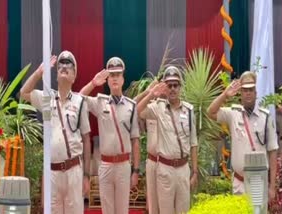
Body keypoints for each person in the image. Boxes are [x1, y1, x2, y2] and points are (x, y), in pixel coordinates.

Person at [20, 51, 91, 214]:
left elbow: (87, 139)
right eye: (61, 65)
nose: (64, 67)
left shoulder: (80, 102)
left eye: (69, 65)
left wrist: (86, 175)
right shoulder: (47, 99)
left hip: (74, 170)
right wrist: (39, 73)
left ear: (74, 77)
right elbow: (24, 92)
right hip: (53, 172)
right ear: (56, 76)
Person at [79, 57, 140, 214]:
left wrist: (136, 170)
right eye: (111, 75)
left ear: (123, 79)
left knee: (122, 210)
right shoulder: (100, 103)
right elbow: (78, 99)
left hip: (124, 166)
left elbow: (135, 141)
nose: (114, 78)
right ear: (107, 80)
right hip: (105, 165)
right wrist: (93, 83)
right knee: (107, 210)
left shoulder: (131, 106)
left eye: (117, 75)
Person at [207, 71, 278, 200]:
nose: (248, 93)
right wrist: (225, 95)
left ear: (256, 93)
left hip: (259, 182)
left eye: (251, 89)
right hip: (239, 183)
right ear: (241, 93)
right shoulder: (233, 114)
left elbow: (273, 152)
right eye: (245, 90)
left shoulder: (266, 117)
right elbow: (210, 112)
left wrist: (272, 187)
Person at [137, 66, 198, 214]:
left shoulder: (189, 111)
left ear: (180, 87)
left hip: (183, 169)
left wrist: (195, 171)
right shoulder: (158, 108)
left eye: (175, 85)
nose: (172, 89)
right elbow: (137, 109)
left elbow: (194, 143)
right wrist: (151, 94)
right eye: (169, 85)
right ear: (165, 87)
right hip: (165, 169)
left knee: (183, 211)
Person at [133, 80, 160, 214]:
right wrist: (148, 91)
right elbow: (133, 107)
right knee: (152, 203)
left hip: (168, 163)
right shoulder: (149, 108)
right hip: (153, 161)